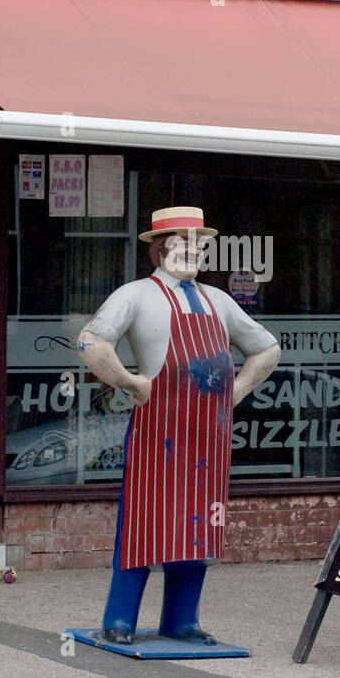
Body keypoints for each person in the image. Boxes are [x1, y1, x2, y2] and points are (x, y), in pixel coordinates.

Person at [77, 206, 280, 645]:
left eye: (199, 244)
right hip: (158, 428)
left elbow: (266, 349)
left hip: (210, 433)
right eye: (183, 243)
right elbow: (91, 341)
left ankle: (183, 620)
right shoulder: (135, 295)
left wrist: (237, 390)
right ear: (160, 248)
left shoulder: (219, 300)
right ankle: (120, 620)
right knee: (142, 521)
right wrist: (129, 381)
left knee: (199, 526)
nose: (193, 252)